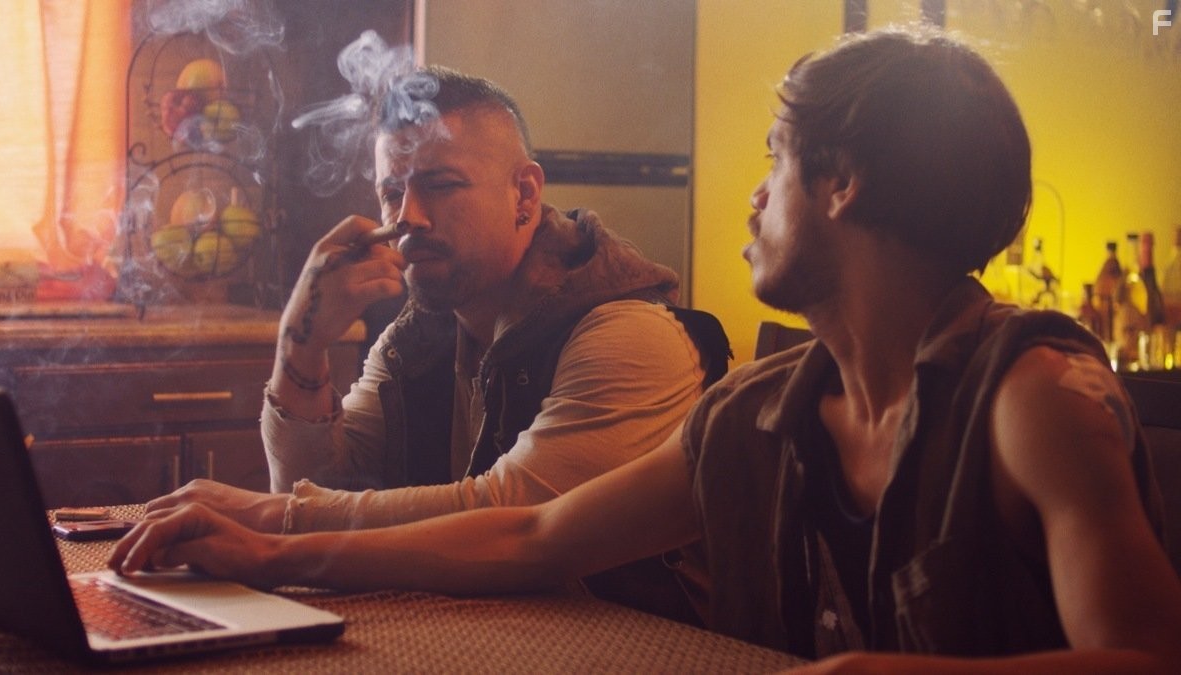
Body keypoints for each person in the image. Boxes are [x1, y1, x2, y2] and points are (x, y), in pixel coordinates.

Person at [111, 27, 1181, 671]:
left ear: (842, 182)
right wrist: (274, 554)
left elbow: (1147, 659)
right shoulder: (755, 412)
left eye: (775, 159)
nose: (754, 194)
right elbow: (533, 536)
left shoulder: (1033, 393)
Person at [140, 65, 730, 623]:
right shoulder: (421, 334)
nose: (407, 218)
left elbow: (513, 515)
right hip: (491, 635)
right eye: (390, 192)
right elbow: (321, 488)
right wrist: (302, 342)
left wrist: (273, 520)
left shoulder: (630, 333)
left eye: (440, 186)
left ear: (525, 194)